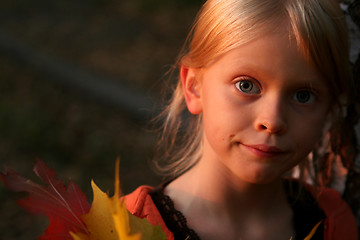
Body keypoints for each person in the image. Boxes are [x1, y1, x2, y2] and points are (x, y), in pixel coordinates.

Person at [125, 0, 359, 239]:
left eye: (303, 95)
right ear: (194, 87)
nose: (273, 120)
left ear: (329, 108)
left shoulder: (334, 224)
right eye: (246, 85)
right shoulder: (121, 227)